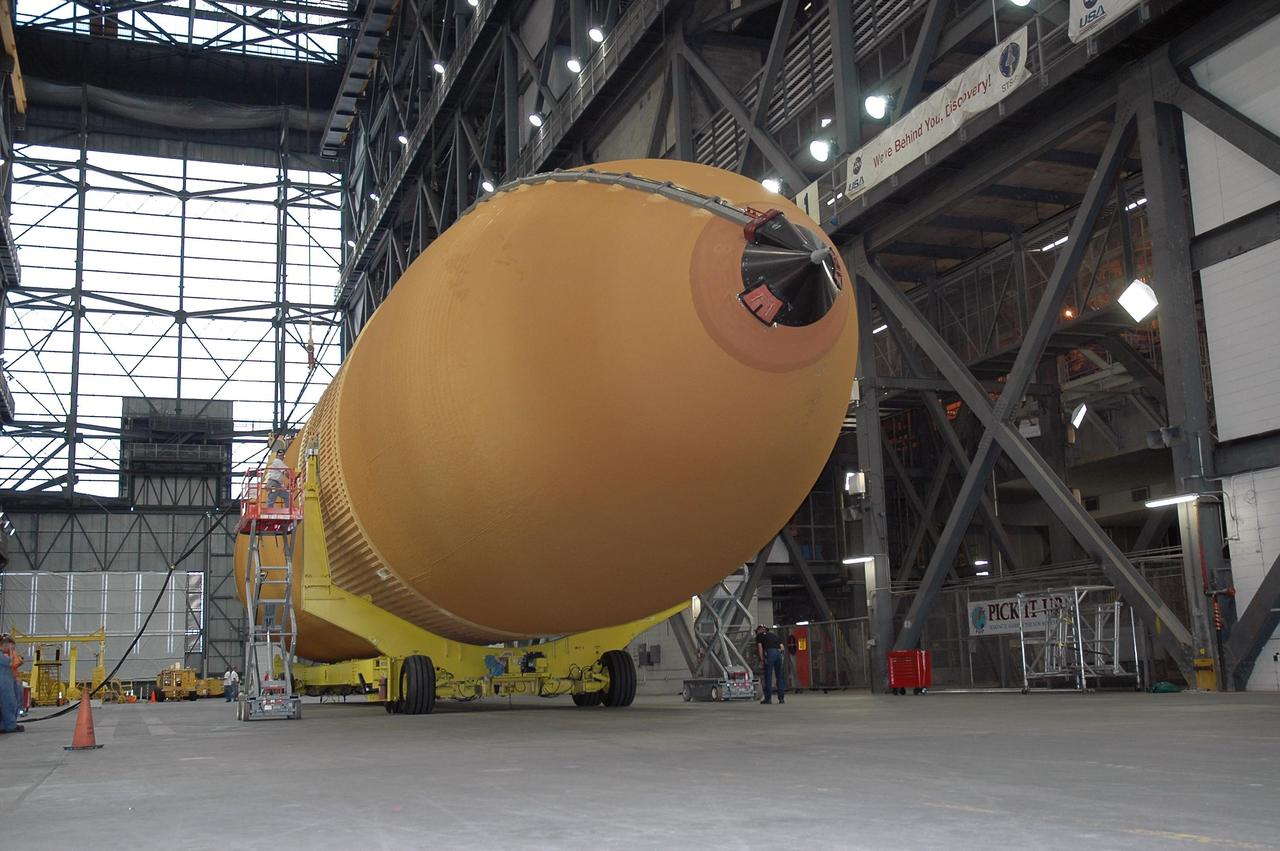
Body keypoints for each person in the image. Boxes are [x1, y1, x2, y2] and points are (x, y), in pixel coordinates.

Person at [755, 624, 785, 705]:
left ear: (760, 630)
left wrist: (761, 660)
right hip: (778, 654)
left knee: (768, 676)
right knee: (780, 677)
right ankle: (781, 699)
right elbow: (782, 647)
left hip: (769, 653)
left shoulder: (759, 636)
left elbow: (760, 648)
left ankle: (768, 699)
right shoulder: (774, 635)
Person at [0, 634, 24, 734]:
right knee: (9, 703)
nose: (13, 649)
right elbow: (11, 663)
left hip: (8, 681)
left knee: (9, 704)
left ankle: (5, 725)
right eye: (12, 647)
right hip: (4, 684)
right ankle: (10, 726)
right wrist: (12, 655)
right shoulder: (3, 656)